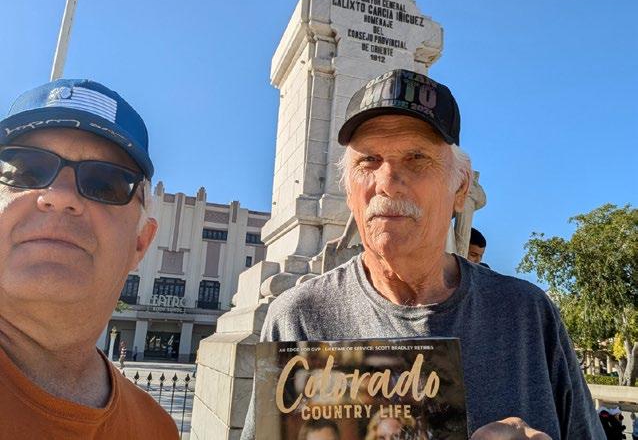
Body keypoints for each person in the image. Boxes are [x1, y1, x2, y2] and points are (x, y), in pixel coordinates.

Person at [240, 69, 605, 439]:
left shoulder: (527, 315)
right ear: (349, 192)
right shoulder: (297, 318)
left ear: (460, 188)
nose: (387, 182)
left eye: (416, 158)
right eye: (368, 160)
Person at [0, 79, 178, 439]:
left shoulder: (156, 430)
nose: (60, 195)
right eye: (26, 171)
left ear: (140, 244)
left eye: (104, 183)